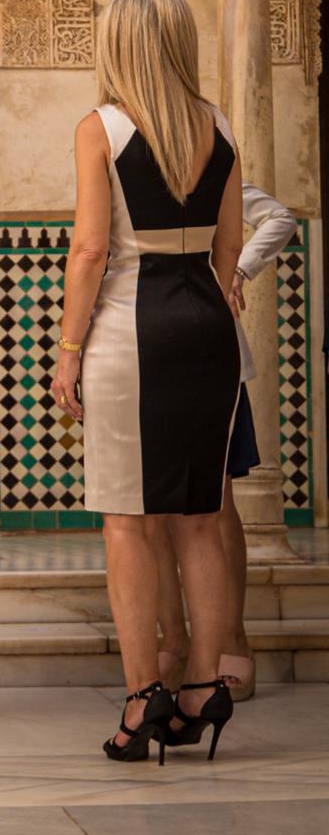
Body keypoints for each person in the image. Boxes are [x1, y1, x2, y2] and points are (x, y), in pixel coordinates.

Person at [51, 0, 242, 764]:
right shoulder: (219, 124)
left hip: (134, 331)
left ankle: (143, 699)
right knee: (200, 516)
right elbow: (229, 248)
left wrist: (68, 350)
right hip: (209, 326)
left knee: (128, 521)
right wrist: (208, 306)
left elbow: (90, 249)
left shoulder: (100, 128)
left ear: (119, 44)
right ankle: (202, 689)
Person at [150, 184, 297, 703]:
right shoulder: (115, 172)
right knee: (148, 510)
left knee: (216, 505)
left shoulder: (210, 170)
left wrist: (238, 271)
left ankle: (233, 638)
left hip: (211, 355)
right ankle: (174, 641)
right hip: (138, 355)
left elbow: (280, 219)